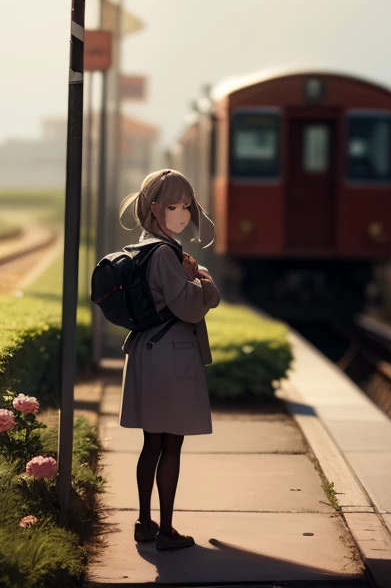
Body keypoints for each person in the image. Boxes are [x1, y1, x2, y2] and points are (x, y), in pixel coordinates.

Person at [118, 169, 220, 550]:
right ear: (154, 208)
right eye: (173, 206)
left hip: (147, 353)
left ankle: (144, 522)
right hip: (172, 357)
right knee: (170, 447)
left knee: (151, 444)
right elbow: (191, 308)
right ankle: (166, 530)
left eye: (187, 206)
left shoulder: (144, 248)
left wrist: (190, 275)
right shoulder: (166, 253)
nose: (182, 214)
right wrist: (203, 283)